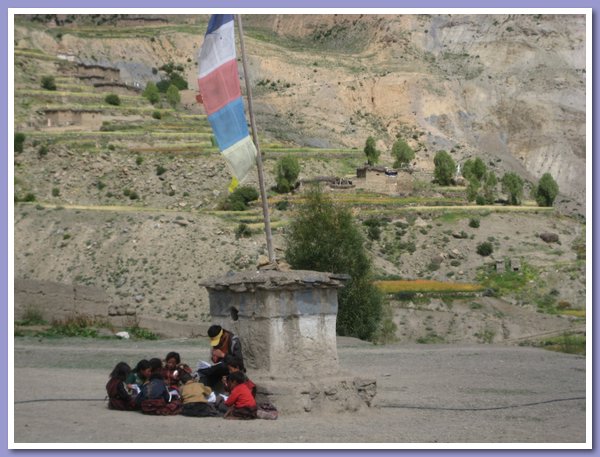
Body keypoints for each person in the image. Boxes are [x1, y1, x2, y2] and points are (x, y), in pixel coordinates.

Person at [198, 325, 244, 390]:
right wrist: (214, 358)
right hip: (221, 367)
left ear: (222, 336)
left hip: (233, 369)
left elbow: (238, 362)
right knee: (204, 373)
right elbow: (217, 361)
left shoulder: (234, 341)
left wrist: (223, 355)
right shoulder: (217, 343)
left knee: (212, 369)